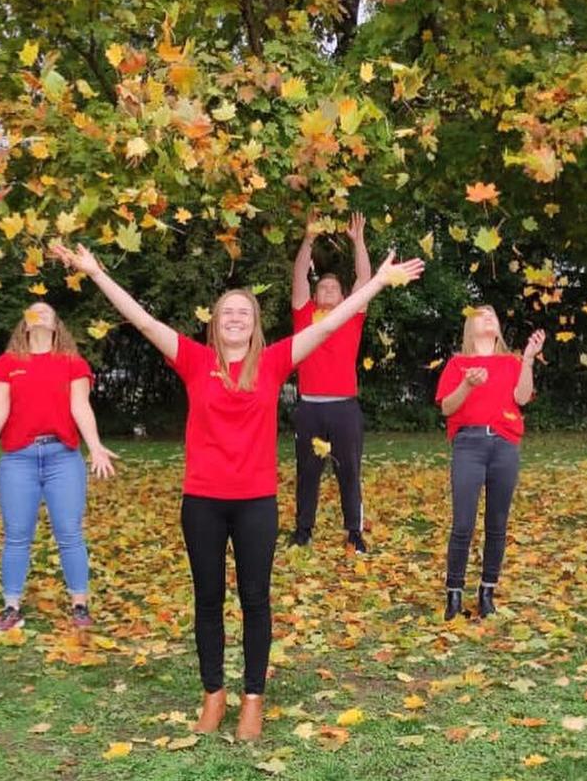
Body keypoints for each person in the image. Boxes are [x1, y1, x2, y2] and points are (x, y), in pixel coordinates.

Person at [51, 240, 423, 741]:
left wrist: (377, 281)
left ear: (254, 323)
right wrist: (95, 272)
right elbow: (141, 320)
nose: (235, 319)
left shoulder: (272, 363)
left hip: (255, 503)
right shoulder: (194, 359)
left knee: (254, 599)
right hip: (202, 500)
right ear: (215, 322)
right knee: (207, 599)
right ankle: (213, 695)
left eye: (243, 312)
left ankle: (252, 699)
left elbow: (332, 322)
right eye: (227, 312)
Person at [0, 302, 115, 631]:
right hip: (19, 459)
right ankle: (11, 607)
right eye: (33, 311)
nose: (41, 313)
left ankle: (80, 605)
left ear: (57, 324)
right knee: (17, 536)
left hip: (63, 458)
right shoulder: (7, 363)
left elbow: (81, 407)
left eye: (47, 310)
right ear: (24, 325)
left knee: (70, 534)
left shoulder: (73, 363)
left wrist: (96, 446)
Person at [434, 305, 545, 621]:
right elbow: (446, 408)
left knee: (497, 523)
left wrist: (527, 360)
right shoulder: (458, 364)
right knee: (463, 523)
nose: (488, 318)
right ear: (470, 325)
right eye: (481, 314)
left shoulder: (511, 362)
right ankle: (454, 595)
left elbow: (522, 398)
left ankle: (487, 592)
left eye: (493, 315)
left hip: (504, 445)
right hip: (469, 444)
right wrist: (468, 384)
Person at [289, 212, 374, 552]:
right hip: (310, 408)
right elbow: (298, 276)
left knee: (349, 473)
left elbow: (365, 280)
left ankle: (354, 531)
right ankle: (302, 531)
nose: (326, 289)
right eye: (321, 286)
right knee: (307, 472)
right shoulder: (304, 314)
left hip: (344, 409)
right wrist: (309, 238)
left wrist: (358, 241)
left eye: (333, 287)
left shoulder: (350, 316)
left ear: (343, 296)